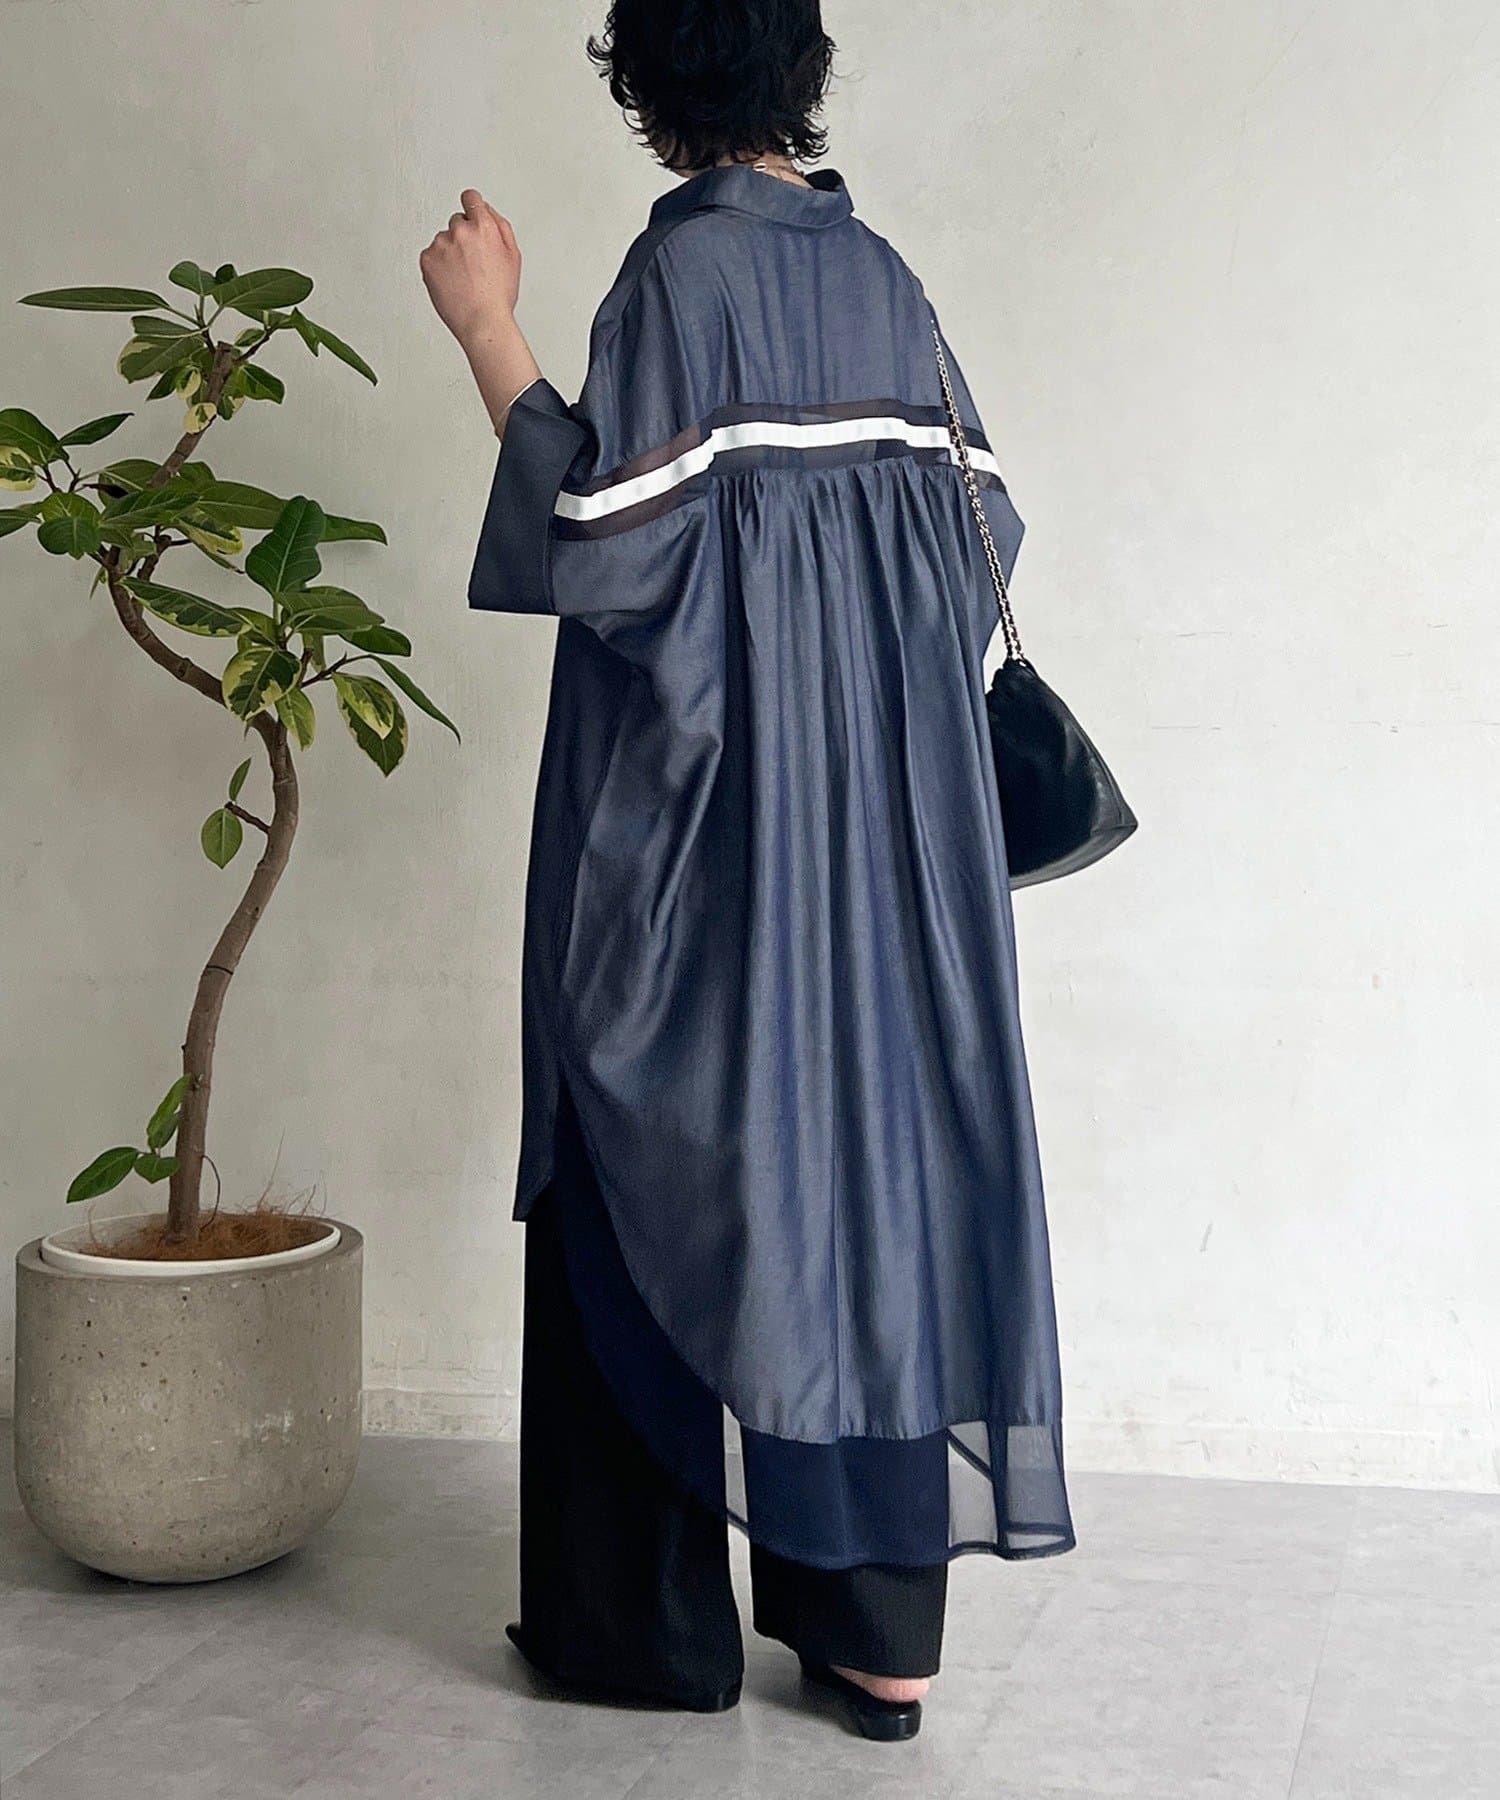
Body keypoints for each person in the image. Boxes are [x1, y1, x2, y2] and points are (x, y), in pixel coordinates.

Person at [420, 0, 1074, 1743]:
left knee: (642, 1136)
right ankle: (878, 1631)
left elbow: (604, 541)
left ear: (647, 92)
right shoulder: (888, 284)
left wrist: (488, 329)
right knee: (868, 1175)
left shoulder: (677, 280)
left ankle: (642, 1628)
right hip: (898, 852)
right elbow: (981, 538)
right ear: (803, 74)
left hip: (715, 835)